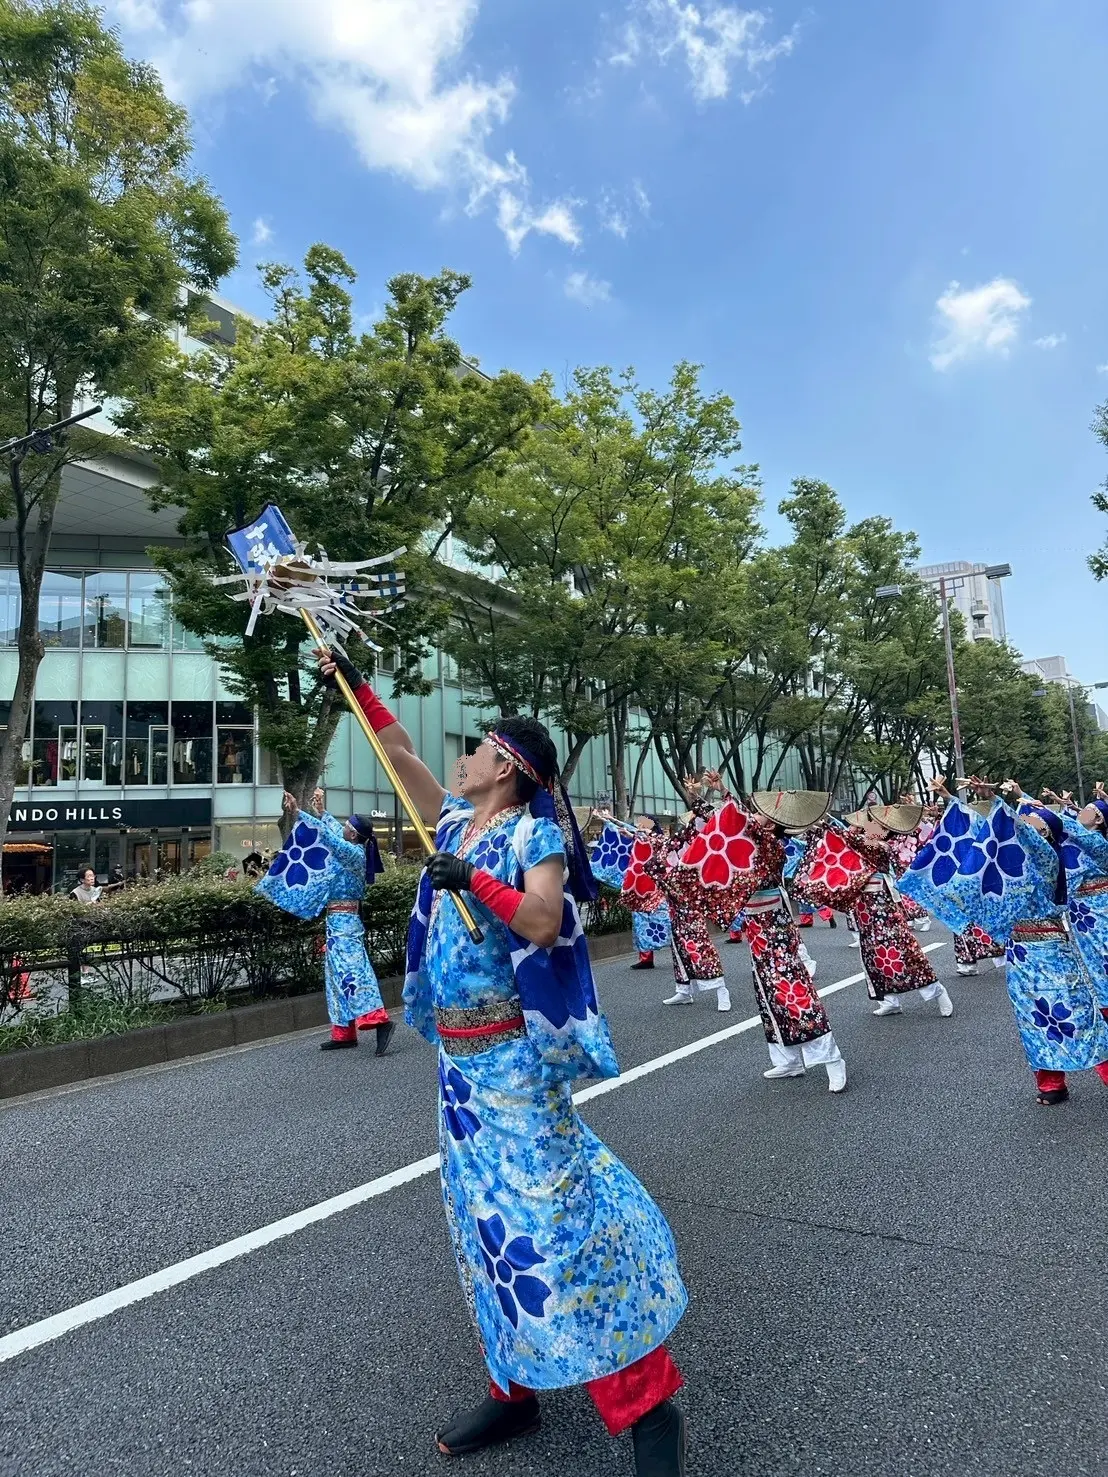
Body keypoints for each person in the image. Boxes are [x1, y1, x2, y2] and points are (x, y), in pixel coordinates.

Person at [318, 645, 688, 1476]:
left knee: (555, 1228)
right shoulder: (453, 820)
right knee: (481, 1229)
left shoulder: (533, 830)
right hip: (458, 1071)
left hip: (515, 1069)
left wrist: (475, 884)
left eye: (482, 746)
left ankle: (648, 1406)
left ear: (509, 768)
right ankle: (513, 1385)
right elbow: (401, 755)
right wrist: (353, 683)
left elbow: (546, 920)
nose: (467, 752)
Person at [258, 788, 394, 1054]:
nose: (342, 828)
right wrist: (321, 811)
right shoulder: (353, 847)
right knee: (334, 976)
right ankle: (343, 1032)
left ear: (353, 834)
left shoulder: (354, 853)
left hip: (346, 923)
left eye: (346, 827)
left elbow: (329, 838)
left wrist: (299, 813)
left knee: (354, 971)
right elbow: (332, 831)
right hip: (337, 921)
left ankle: (380, 1021)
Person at [743, 796, 847, 1093]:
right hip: (756, 928)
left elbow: (741, 826)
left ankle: (831, 1058)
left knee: (793, 990)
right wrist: (713, 794)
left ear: (772, 823)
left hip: (773, 925)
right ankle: (788, 1059)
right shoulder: (751, 839)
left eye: (761, 815)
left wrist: (724, 795)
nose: (754, 817)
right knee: (767, 994)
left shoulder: (771, 845)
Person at [843, 805, 953, 1019]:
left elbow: (852, 839)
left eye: (873, 825)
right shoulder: (862, 844)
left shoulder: (880, 846)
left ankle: (936, 990)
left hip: (882, 903)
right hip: (863, 906)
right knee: (870, 953)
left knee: (904, 949)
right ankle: (888, 1000)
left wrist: (848, 829)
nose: (866, 827)